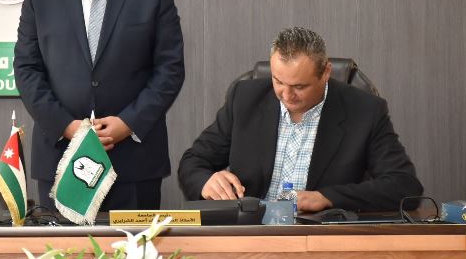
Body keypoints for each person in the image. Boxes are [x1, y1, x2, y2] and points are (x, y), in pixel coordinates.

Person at [14, 0, 185, 210]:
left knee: (135, 246)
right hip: (61, 159)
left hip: (134, 164)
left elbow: (170, 69)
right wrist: (67, 126)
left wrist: (128, 123)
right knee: (59, 246)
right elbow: (27, 69)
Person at [178, 27, 423, 212]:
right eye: (278, 81)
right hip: (250, 233)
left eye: (299, 86)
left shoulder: (365, 111)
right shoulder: (244, 99)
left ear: (326, 73)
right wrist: (206, 181)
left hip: (320, 237)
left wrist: (327, 198)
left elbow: (404, 185)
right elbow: (193, 162)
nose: (286, 95)